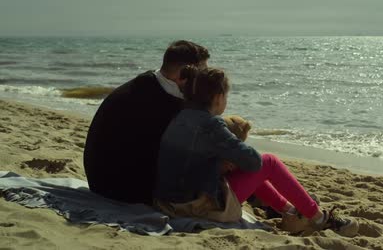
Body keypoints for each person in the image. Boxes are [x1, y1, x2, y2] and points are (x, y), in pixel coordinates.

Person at [153, 66, 359, 237]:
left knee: (242, 165)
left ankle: (290, 211)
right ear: (218, 97)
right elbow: (254, 163)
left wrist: (218, 164)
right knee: (268, 162)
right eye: (226, 95)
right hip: (195, 207)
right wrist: (229, 159)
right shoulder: (211, 125)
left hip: (169, 201)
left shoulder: (181, 117)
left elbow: (187, 162)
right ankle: (320, 219)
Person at [83, 40, 210, 204]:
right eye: (202, 74)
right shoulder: (159, 102)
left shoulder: (150, 85)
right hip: (119, 188)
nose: (204, 80)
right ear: (184, 75)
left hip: (102, 180)